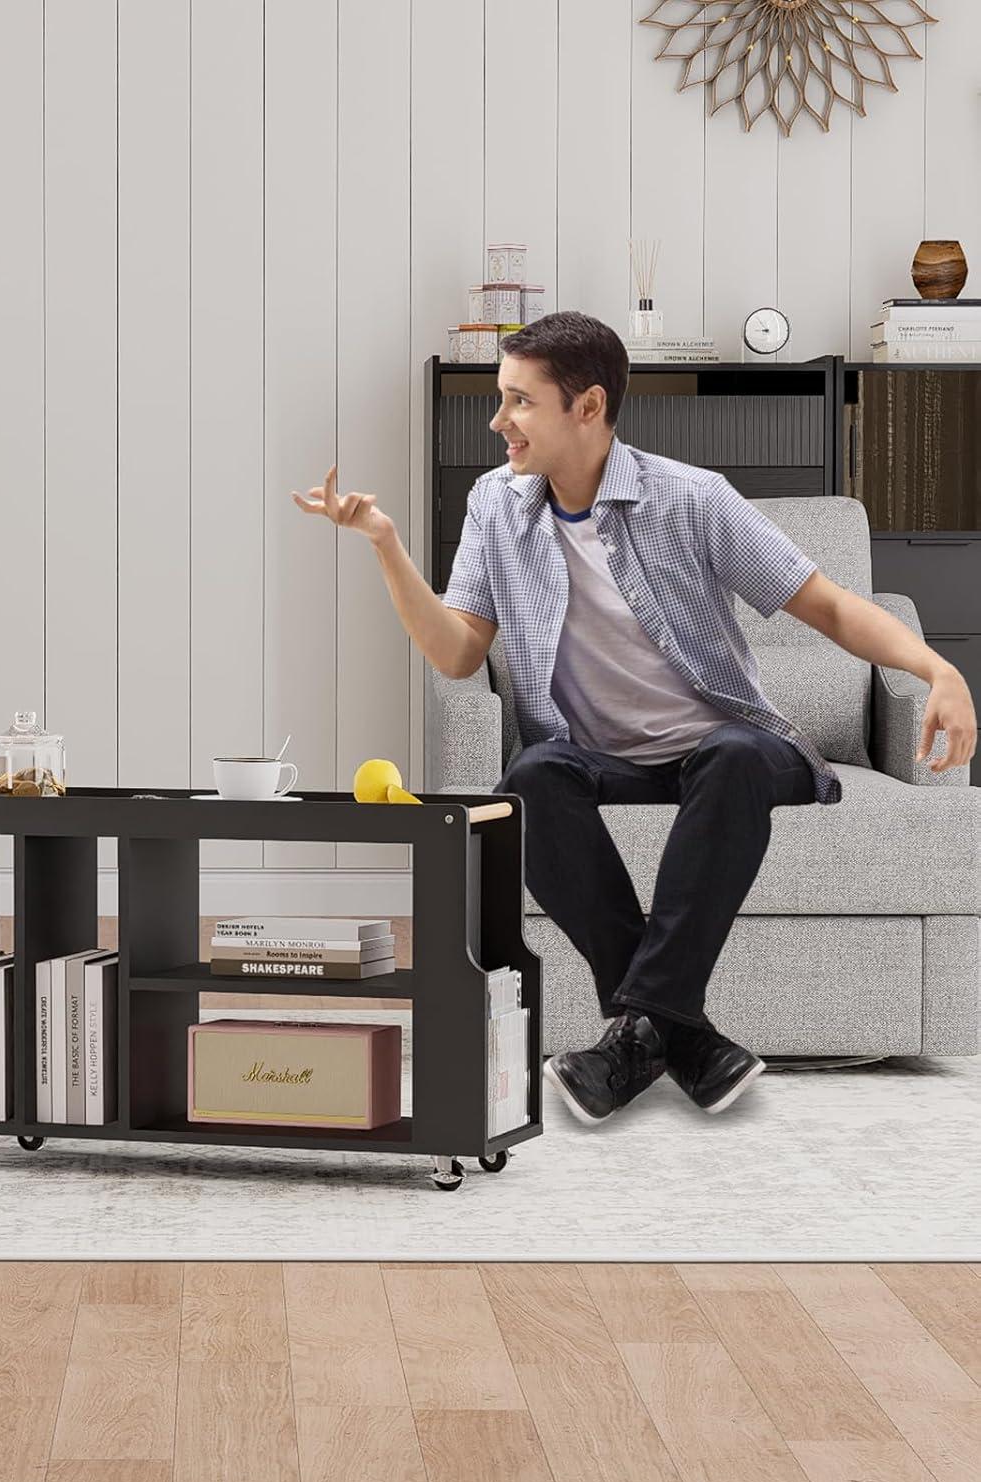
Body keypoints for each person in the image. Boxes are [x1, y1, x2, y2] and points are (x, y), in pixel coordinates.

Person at [294, 310, 976, 1126]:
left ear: (587, 407)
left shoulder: (690, 500)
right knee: (532, 777)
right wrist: (386, 545)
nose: (497, 420)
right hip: (601, 758)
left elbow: (828, 608)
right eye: (499, 398)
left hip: (734, 749)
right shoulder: (495, 507)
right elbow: (456, 654)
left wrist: (938, 669)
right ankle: (673, 1035)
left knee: (728, 755)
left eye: (519, 402)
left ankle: (636, 1032)